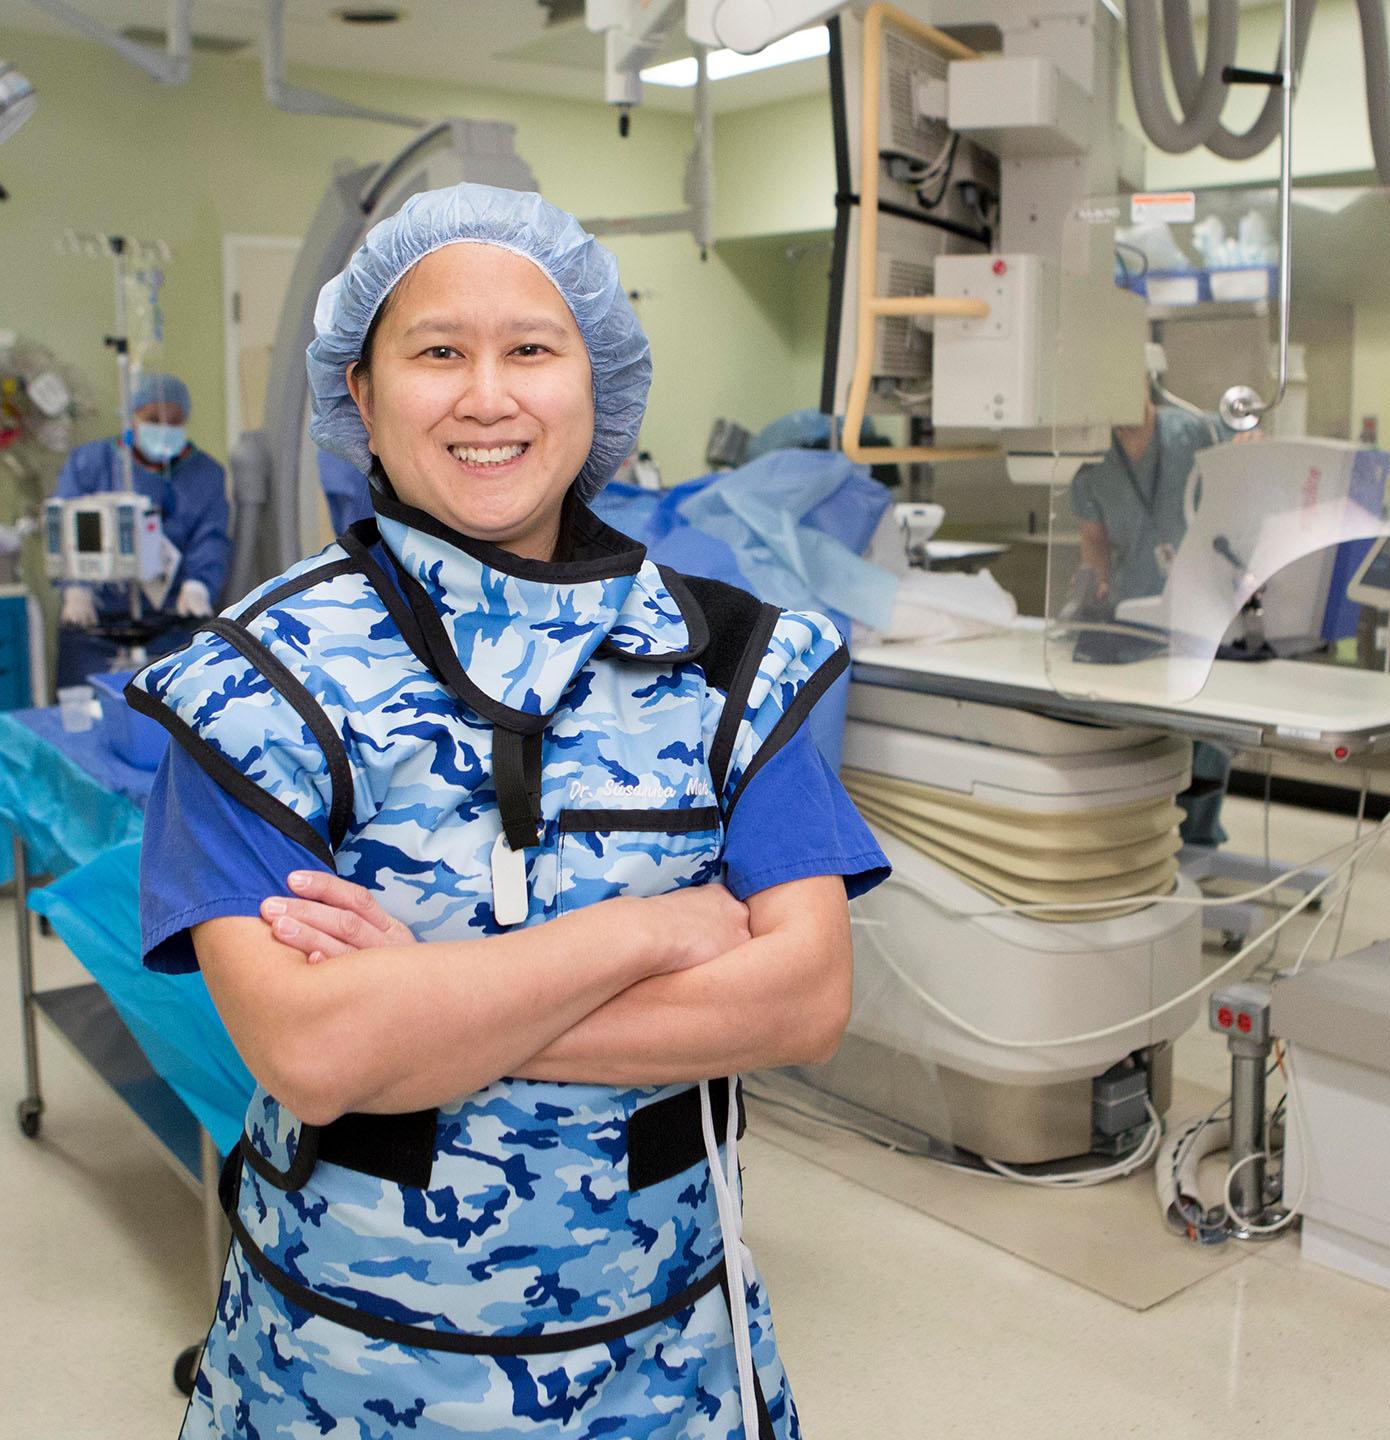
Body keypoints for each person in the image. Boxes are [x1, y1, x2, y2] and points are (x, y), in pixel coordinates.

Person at [130, 183, 888, 1439]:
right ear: (361, 397)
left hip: (669, 1364)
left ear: (598, 384)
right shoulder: (253, 684)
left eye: (531, 349)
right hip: (338, 1370)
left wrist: (414, 1012)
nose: (488, 396)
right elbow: (311, 1056)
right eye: (437, 353)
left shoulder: (734, 663)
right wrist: (648, 935)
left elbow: (803, 1003)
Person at [1068, 381, 1236, 847]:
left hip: (1206, 604)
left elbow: (1245, 468)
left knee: (1205, 729)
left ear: (1142, 380)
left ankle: (1198, 839)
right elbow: (1093, 540)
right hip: (1137, 607)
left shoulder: (1197, 431)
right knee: (1151, 728)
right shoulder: (1092, 459)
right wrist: (1092, 585)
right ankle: (1151, 841)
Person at [51, 370, 231, 686]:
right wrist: (76, 588)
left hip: (171, 623)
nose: (164, 428)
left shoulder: (205, 474)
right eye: (153, 417)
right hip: (97, 622)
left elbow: (210, 536)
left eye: (174, 421)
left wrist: (199, 584)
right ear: (133, 416)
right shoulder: (91, 464)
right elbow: (65, 528)